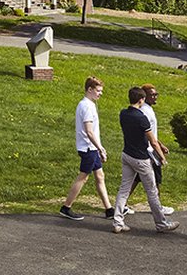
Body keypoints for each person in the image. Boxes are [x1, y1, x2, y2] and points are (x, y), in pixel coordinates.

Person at [112, 87, 178, 234]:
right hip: (141, 158)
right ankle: (161, 223)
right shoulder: (141, 118)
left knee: (124, 189)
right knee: (152, 191)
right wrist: (161, 157)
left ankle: (117, 222)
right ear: (141, 100)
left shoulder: (123, 114)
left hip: (126, 154)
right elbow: (153, 141)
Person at [59, 77, 115, 221]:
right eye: (98, 91)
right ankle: (66, 207)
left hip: (91, 148)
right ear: (89, 89)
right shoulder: (87, 106)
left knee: (100, 176)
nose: (100, 94)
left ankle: (109, 209)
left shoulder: (87, 104)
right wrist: (100, 148)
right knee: (83, 177)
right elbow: (89, 131)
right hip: (88, 148)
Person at [134, 84, 174, 216]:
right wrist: (160, 153)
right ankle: (158, 207)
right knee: (156, 179)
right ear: (144, 96)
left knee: (136, 178)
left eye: (156, 94)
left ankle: (122, 204)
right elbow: (145, 132)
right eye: (152, 95)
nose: (155, 97)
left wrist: (160, 144)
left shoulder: (148, 109)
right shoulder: (144, 111)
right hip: (149, 151)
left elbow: (151, 132)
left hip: (150, 147)